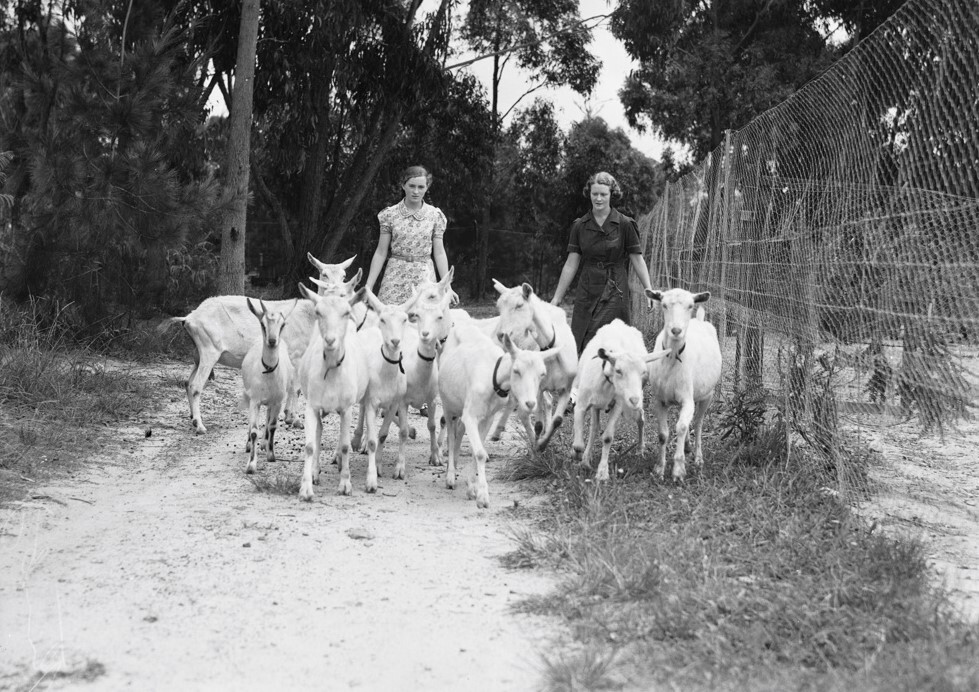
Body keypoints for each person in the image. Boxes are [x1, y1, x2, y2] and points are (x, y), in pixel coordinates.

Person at [550, 171, 655, 355]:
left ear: (611, 195)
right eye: (594, 194)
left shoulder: (625, 224)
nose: (598, 198)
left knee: (611, 341)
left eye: (603, 194)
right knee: (582, 340)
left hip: (616, 288)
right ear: (589, 194)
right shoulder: (579, 226)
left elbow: (637, 259)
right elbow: (571, 264)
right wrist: (557, 298)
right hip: (587, 288)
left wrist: (649, 291)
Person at [365, 165, 449, 305]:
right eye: (412, 186)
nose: (416, 191)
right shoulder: (389, 214)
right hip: (395, 276)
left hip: (424, 277)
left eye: (421, 187)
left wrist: (447, 286)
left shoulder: (435, 216)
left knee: (425, 321)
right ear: (403, 185)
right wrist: (368, 286)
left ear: (427, 187)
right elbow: (381, 252)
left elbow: (439, 253)